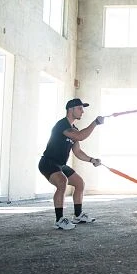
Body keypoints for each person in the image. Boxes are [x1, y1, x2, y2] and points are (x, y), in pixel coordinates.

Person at [38, 98, 105, 230]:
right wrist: (95, 123)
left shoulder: (74, 129)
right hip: (48, 162)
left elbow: (78, 152)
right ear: (71, 109)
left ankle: (78, 215)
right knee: (62, 181)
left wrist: (92, 160)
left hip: (60, 164)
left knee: (79, 183)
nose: (82, 112)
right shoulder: (62, 125)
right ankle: (59, 220)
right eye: (80, 108)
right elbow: (80, 136)